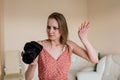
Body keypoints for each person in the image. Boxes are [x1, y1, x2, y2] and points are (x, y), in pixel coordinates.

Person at [25, 12, 99, 80]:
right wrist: (33, 65)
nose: (50, 31)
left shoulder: (69, 45)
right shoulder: (39, 46)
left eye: (55, 28)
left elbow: (94, 60)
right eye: (48, 27)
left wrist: (84, 39)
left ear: (62, 29)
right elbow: (27, 78)